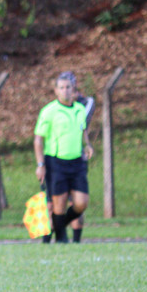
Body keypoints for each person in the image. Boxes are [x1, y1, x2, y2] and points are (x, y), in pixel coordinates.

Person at [34, 71, 93, 244]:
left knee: (81, 203)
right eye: (62, 88)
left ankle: (55, 229)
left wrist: (87, 145)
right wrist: (40, 164)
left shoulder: (80, 110)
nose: (65, 91)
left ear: (74, 89)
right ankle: (61, 239)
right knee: (57, 207)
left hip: (77, 163)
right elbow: (38, 139)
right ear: (56, 91)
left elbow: (83, 131)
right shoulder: (49, 111)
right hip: (56, 162)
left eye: (68, 87)